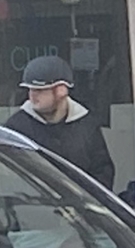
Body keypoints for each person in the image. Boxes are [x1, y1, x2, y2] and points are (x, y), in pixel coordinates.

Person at [7, 54, 118, 193]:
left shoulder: (86, 125)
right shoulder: (17, 127)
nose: (32, 95)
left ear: (61, 90)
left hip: (82, 209)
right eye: (30, 89)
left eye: (39, 90)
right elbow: (10, 177)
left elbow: (102, 172)